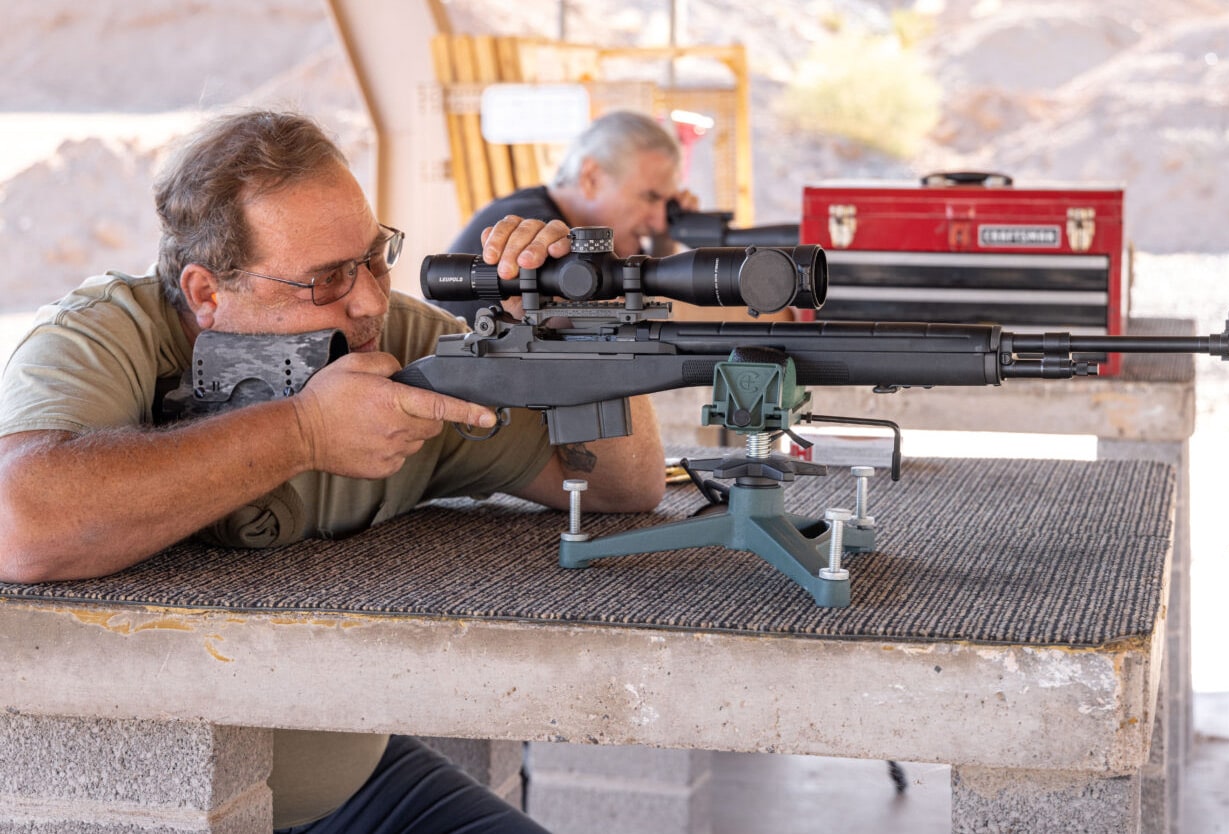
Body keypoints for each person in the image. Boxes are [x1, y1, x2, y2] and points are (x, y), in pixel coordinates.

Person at [0, 109, 665, 833]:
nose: (371, 300)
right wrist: (303, 433)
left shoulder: (400, 341)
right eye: (325, 280)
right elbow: (20, 525)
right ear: (205, 294)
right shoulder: (108, 336)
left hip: (353, 785)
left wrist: (586, 326)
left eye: (374, 257)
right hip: (144, 800)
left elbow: (619, 489)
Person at [440, 109, 785, 323]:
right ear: (590, 178)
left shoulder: (555, 219)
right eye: (650, 197)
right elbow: (630, 313)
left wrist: (669, 236)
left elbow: (646, 291)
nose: (659, 219)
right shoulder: (535, 229)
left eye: (667, 204)